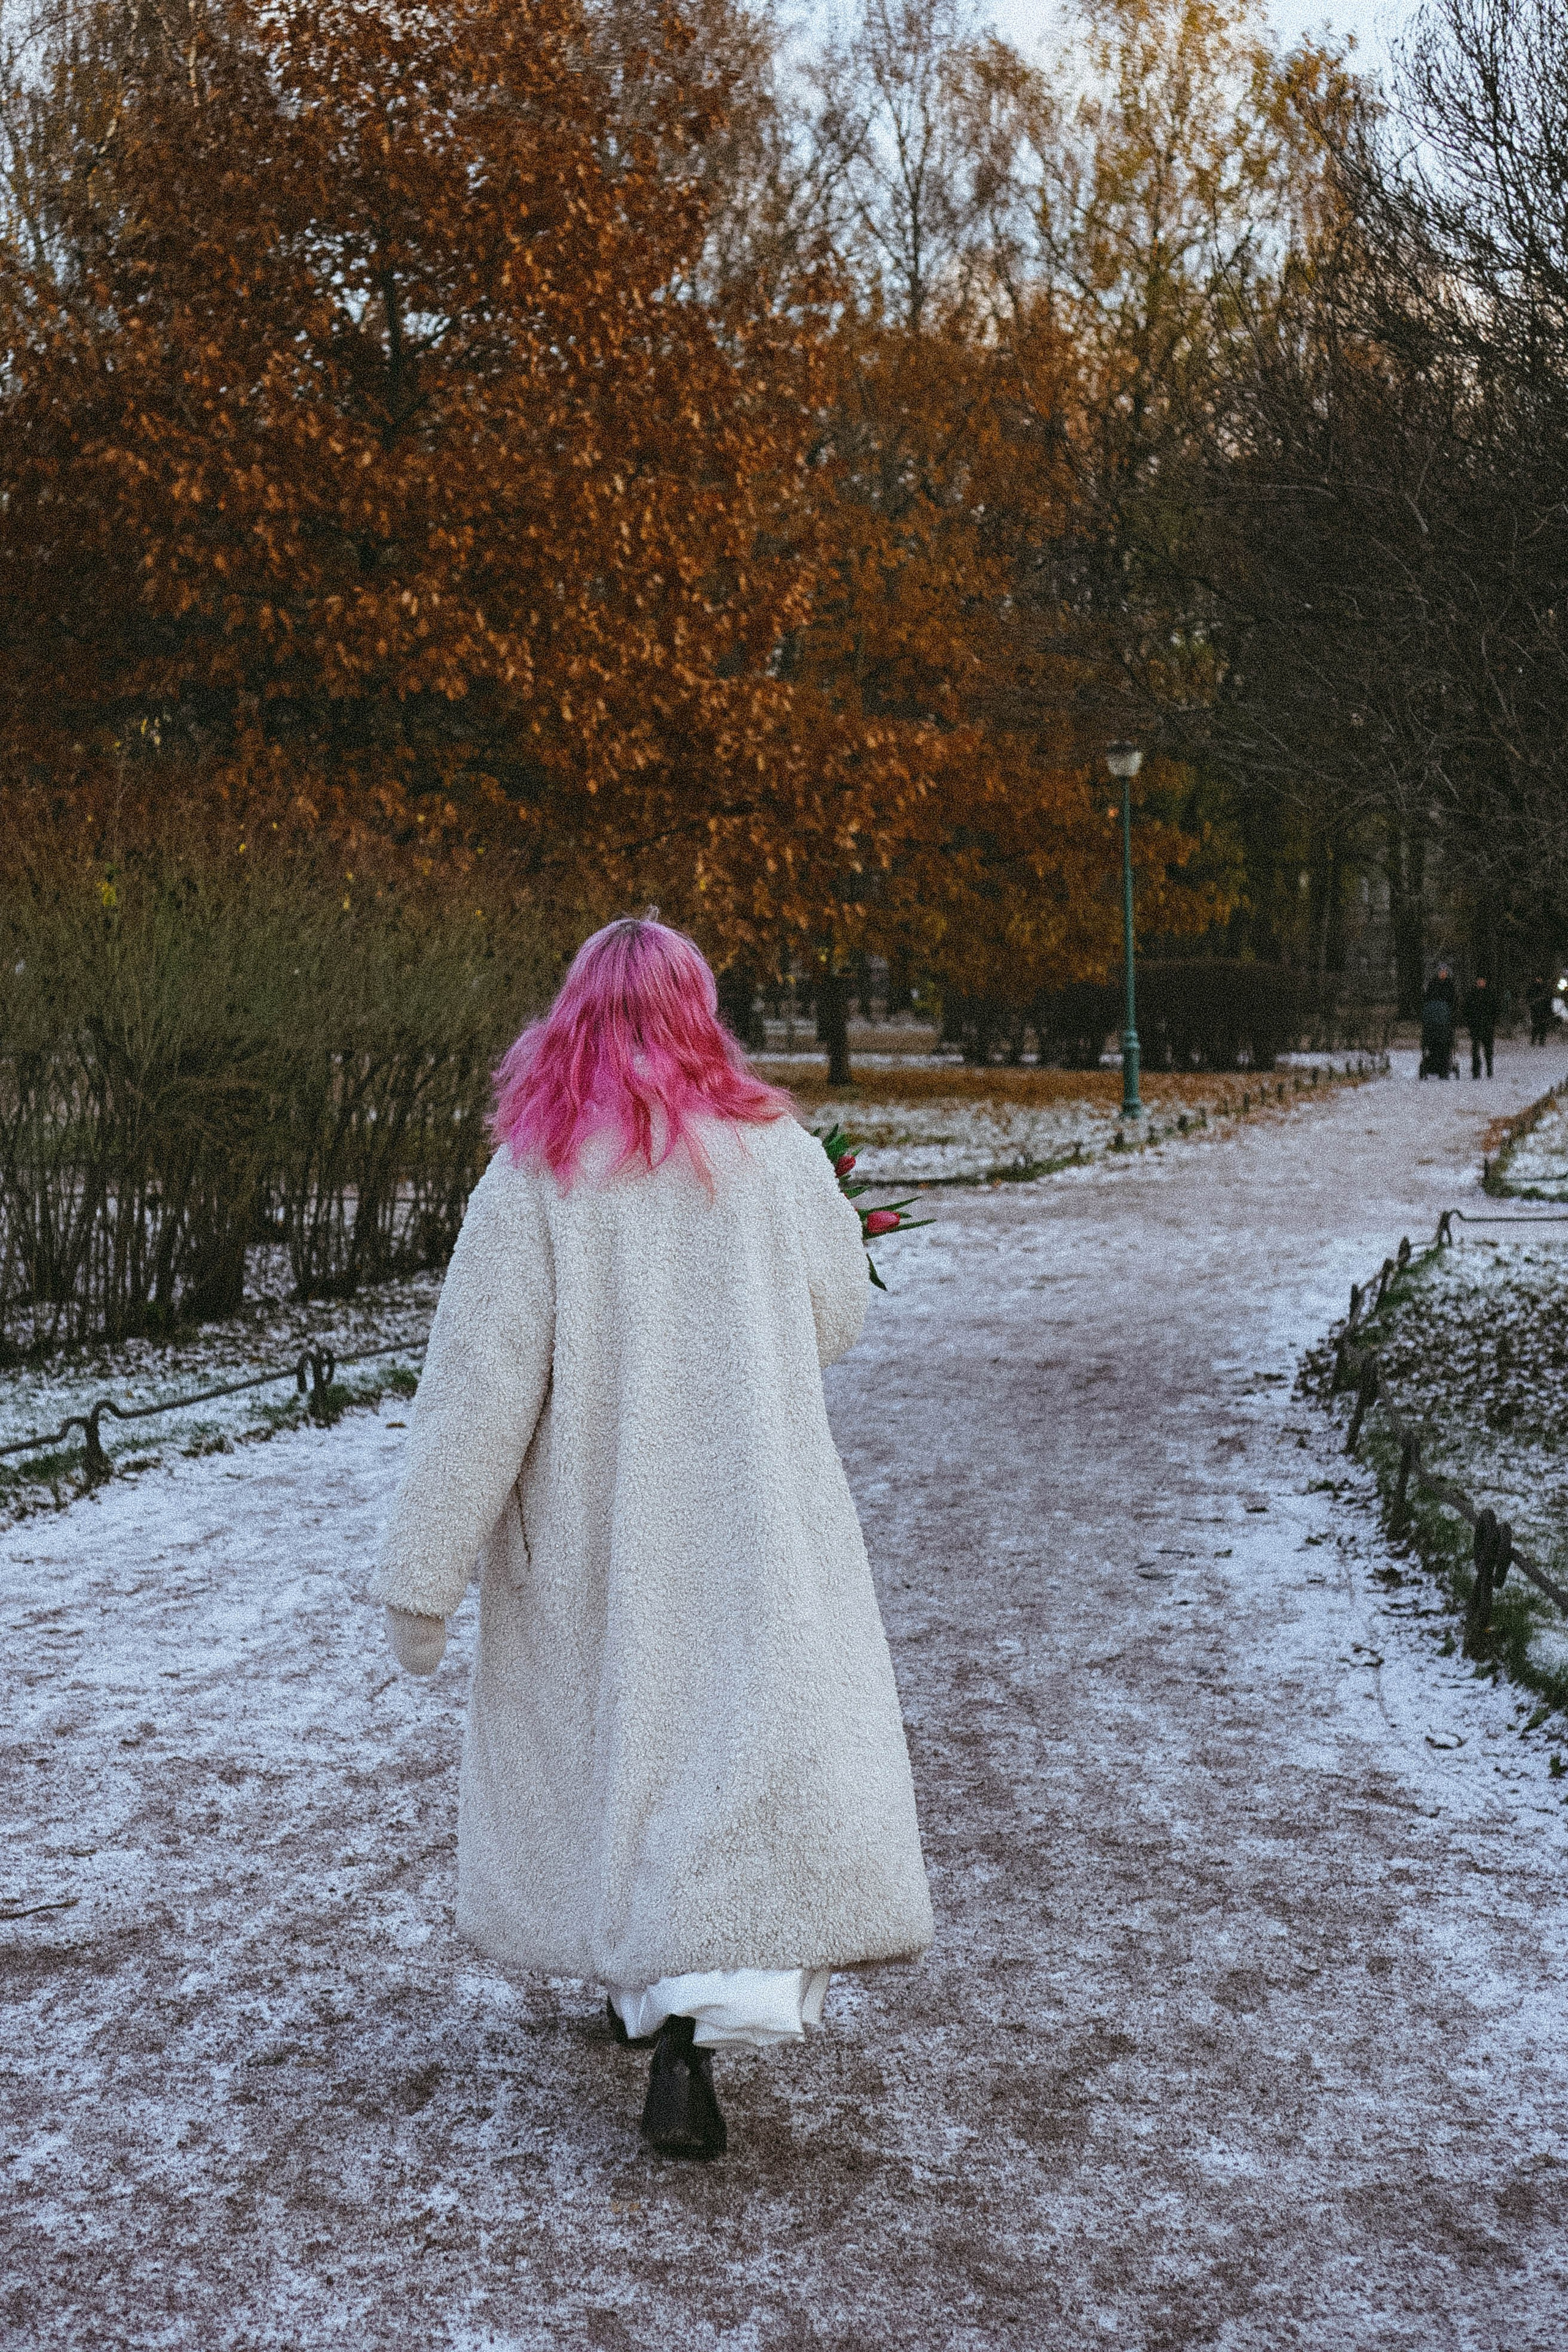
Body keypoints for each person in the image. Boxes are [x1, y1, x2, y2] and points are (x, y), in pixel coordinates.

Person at [374, 913, 933, 2162]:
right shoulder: (772, 1153)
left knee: (623, 1754)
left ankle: (644, 1998)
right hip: (753, 1525)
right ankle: (695, 2025)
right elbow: (834, 1318)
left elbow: (476, 1391)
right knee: (736, 1769)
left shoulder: (534, 1176)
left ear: (572, 1014)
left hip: (598, 1540)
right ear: (700, 1013)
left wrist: (422, 1581)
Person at [1462, 973, 1496, 1078]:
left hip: (1488, 1026)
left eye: (1483, 981)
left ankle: (1489, 1069)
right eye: (1479, 981)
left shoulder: (1490, 994)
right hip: (1476, 1026)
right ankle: (1476, 1071)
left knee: (1488, 1050)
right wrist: (1470, 1023)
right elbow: (1467, 1010)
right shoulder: (1472, 994)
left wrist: (1492, 1022)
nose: (1481, 983)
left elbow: (1496, 1010)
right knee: (1475, 1049)